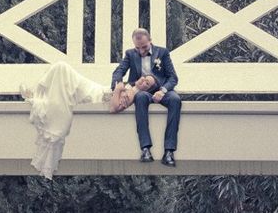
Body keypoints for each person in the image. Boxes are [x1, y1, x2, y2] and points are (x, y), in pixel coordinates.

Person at [20, 61, 155, 179]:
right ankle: (37, 94)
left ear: (147, 89)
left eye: (147, 83)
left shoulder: (133, 94)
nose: (143, 80)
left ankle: (36, 93)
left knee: (61, 68)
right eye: (144, 77)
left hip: (95, 96)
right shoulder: (131, 86)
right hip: (96, 88)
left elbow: (113, 108)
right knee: (59, 68)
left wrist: (119, 90)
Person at [111, 28, 181, 167]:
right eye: (138, 48)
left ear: (150, 41)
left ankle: (169, 151)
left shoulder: (162, 53)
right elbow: (118, 72)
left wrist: (163, 90)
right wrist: (119, 89)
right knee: (140, 98)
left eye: (144, 47)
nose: (141, 51)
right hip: (143, 90)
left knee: (175, 100)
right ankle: (145, 149)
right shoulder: (130, 54)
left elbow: (173, 77)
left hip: (162, 89)